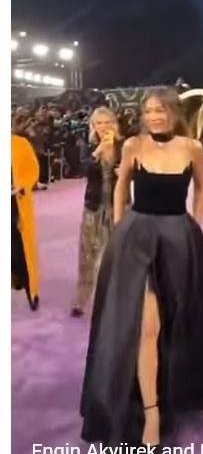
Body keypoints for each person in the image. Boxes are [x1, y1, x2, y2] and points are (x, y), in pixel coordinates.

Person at [80, 87, 203, 451]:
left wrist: (194, 225)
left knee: (176, 319)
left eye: (161, 110)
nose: (154, 117)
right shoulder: (133, 145)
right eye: (149, 111)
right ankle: (151, 412)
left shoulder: (192, 148)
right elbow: (121, 188)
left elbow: (201, 188)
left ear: (174, 113)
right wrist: (119, 231)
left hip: (178, 240)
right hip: (136, 239)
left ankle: (171, 386)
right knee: (147, 324)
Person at [71, 107, 122, 317]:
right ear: (93, 126)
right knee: (87, 253)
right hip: (93, 205)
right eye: (99, 123)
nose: (103, 127)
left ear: (114, 124)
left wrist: (125, 171)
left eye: (107, 122)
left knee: (116, 253)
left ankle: (115, 297)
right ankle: (81, 298)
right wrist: (98, 151)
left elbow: (136, 171)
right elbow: (82, 170)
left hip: (119, 206)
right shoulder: (90, 147)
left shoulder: (124, 146)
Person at [11, 134, 40, 310]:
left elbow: (33, 169)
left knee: (21, 250)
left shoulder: (20, 144)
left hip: (17, 204)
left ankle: (31, 291)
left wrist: (22, 185)